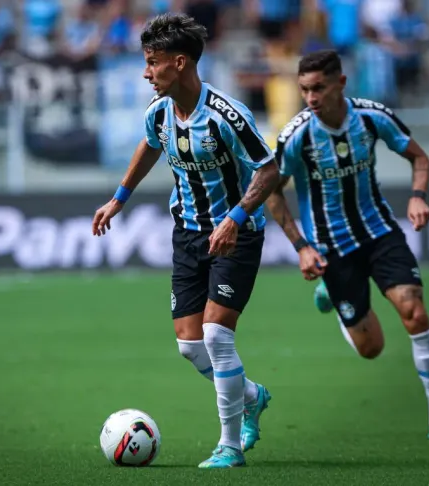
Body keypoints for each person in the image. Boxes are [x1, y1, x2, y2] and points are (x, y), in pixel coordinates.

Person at [92, 13, 281, 468]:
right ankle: (250, 395)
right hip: (188, 234)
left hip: (236, 236)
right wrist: (119, 198)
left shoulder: (226, 115)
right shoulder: (159, 112)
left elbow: (269, 169)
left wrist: (236, 217)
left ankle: (229, 446)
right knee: (189, 345)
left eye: (152, 63)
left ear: (179, 63)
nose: (145, 71)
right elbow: (150, 143)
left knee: (217, 335)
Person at [266, 49, 429, 441]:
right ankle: (337, 301)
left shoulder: (372, 118)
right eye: (305, 89)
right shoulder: (297, 135)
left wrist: (417, 195)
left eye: (319, 88)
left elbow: (419, 158)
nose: (310, 98)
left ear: (340, 83)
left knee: (414, 311)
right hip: (332, 248)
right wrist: (302, 247)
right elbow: (273, 193)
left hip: (379, 232)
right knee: (371, 348)